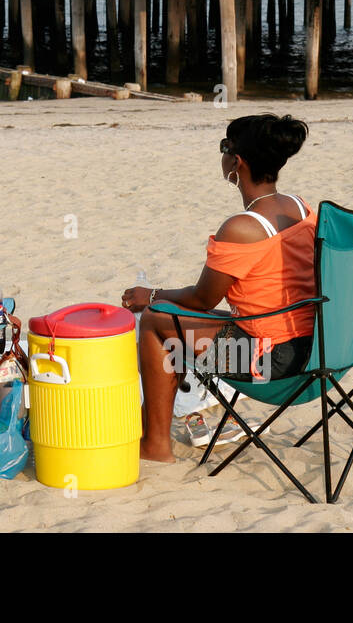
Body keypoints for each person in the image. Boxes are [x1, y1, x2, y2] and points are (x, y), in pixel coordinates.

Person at [122, 114, 315, 463]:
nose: (222, 156)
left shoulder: (242, 227)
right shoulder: (299, 207)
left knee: (155, 321)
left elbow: (202, 298)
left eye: (224, 148)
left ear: (236, 163)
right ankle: (161, 427)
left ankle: (155, 446)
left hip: (273, 362)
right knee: (176, 317)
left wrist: (151, 295)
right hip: (322, 349)